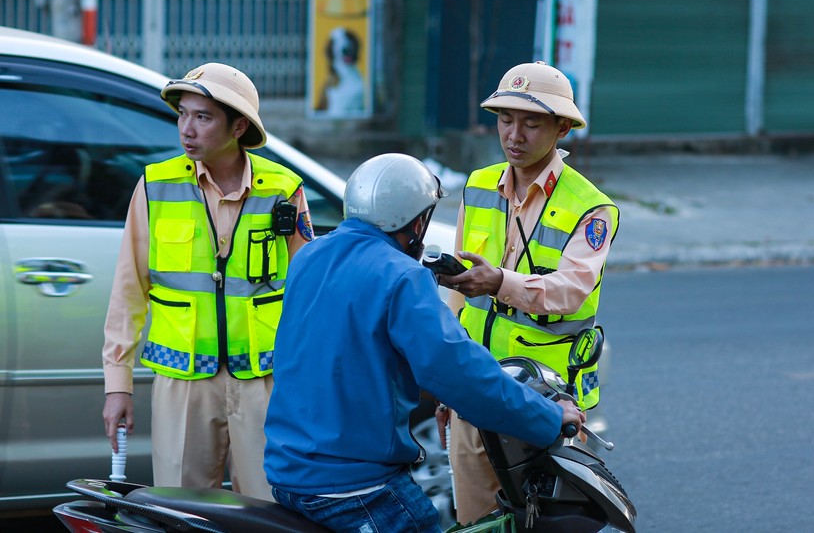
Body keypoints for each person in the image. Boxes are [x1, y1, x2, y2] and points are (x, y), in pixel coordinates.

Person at [263, 153, 584, 532]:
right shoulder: (402, 277)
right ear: (416, 221)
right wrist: (547, 418)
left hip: (288, 472)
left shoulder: (310, 256)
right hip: (355, 486)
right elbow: (461, 374)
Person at [101, 63, 314, 500]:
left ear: (238, 126)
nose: (186, 129)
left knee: (270, 508)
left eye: (202, 117)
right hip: (183, 383)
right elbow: (129, 290)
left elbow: (309, 291)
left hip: (265, 380)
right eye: (182, 114)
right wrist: (117, 384)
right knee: (179, 509)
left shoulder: (283, 188)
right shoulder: (155, 186)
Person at [435, 61, 620, 523]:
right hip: (475, 386)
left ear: (561, 128)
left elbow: (569, 292)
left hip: (545, 397)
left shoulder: (592, 207)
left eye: (531, 122)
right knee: (475, 521)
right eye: (505, 119)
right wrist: (447, 386)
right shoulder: (477, 187)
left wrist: (499, 281)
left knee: (543, 520)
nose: (514, 135)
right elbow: (459, 297)